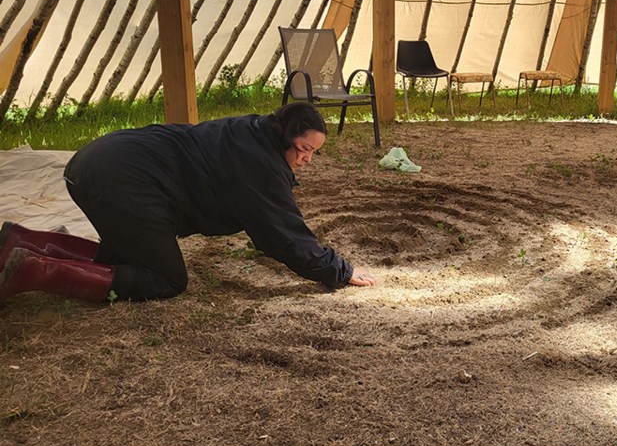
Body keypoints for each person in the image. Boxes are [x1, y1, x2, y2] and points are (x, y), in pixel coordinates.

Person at [0, 101, 376, 305]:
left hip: (98, 162)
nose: (307, 159)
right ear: (284, 136)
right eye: (305, 149)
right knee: (165, 279)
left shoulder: (251, 131)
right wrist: (337, 271)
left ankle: (22, 242)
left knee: (127, 257)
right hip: (124, 180)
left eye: (314, 152)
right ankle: (34, 272)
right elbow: (282, 234)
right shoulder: (259, 163)